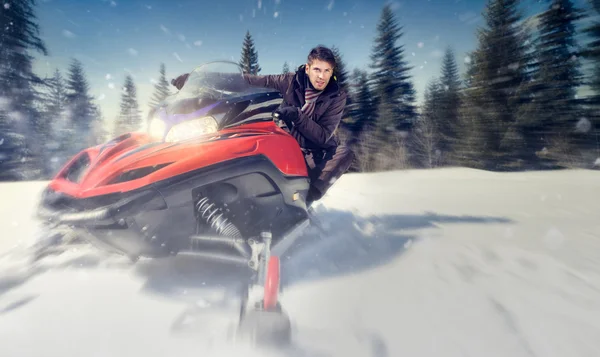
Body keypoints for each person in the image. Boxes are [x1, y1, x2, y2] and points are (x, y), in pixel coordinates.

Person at [172, 45, 354, 206]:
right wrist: (199, 80)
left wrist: (297, 116)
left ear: (332, 72)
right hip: (287, 142)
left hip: (316, 151)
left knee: (344, 152)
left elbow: (323, 136)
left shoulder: (337, 96)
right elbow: (246, 81)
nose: (321, 76)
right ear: (307, 68)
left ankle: (306, 199)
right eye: (317, 69)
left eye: (327, 71)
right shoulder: (288, 82)